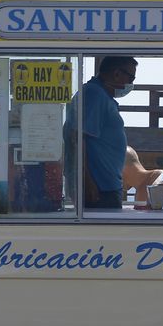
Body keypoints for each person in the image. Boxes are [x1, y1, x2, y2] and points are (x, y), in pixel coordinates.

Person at [65, 55, 136, 210]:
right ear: (117, 74)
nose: (131, 84)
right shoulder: (94, 94)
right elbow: (77, 138)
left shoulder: (101, 95)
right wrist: (87, 181)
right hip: (99, 189)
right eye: (131, 77)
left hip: (106, 185)